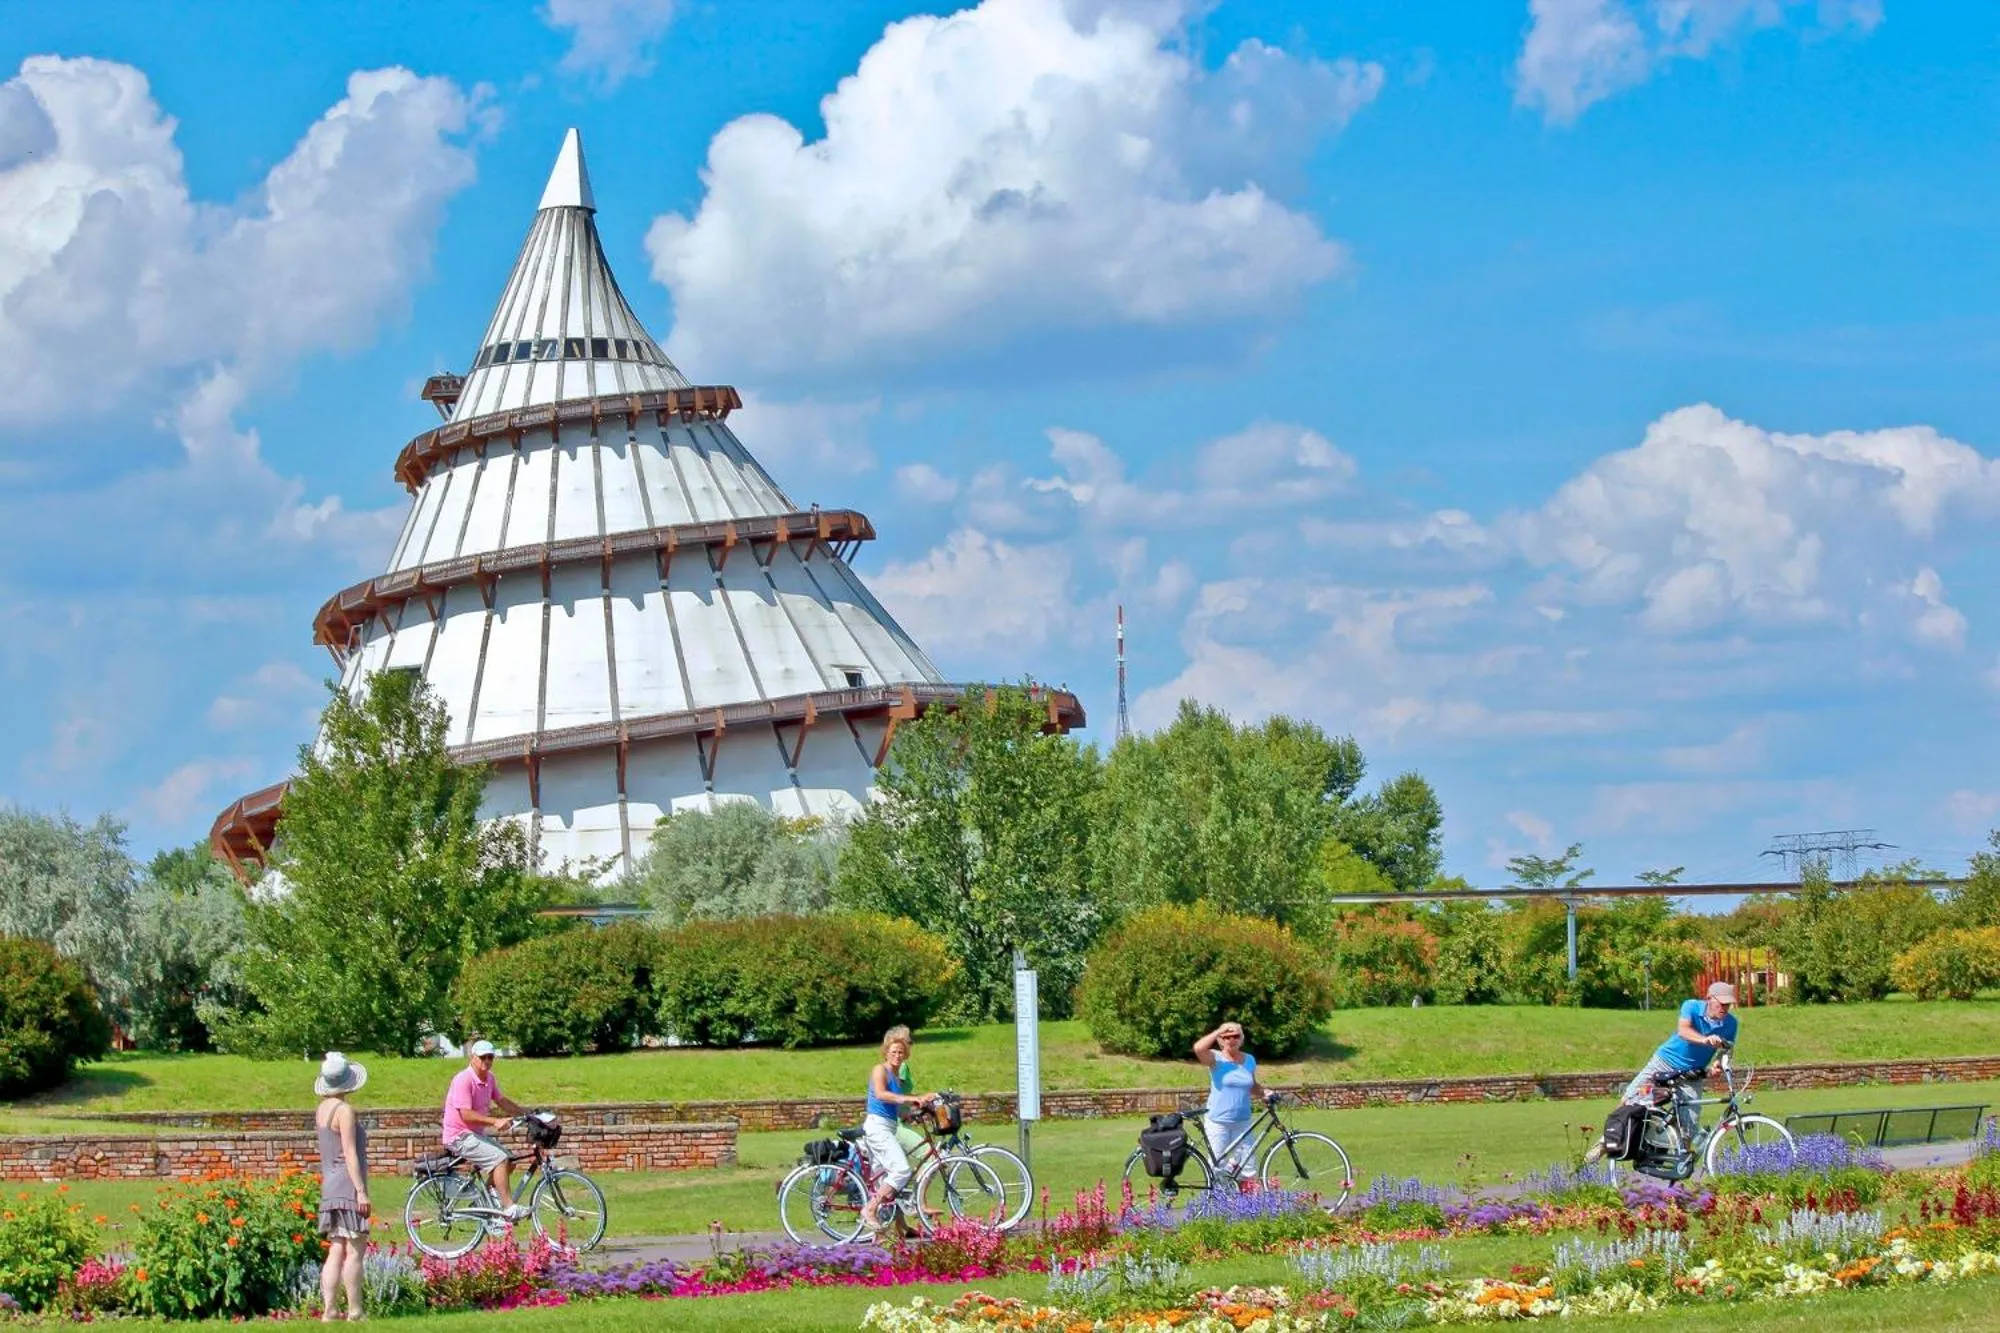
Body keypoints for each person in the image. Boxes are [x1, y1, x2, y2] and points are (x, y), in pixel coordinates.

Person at [1585, 981, 1740, 1163]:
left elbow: (1727, 1049)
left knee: (1688, 1127)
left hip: (1691, 1075)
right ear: (1709, 999)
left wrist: (1718, 1063)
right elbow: (1683, 1031)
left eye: (1728, 1004)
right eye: (1721, 1003)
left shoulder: (1731, 1023)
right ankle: (1604, 1144)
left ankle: (1673, 1168)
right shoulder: (1691, 1006)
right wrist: (1705, 1040)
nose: (1724, 1008)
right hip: (1663, 1064)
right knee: (1629, 1101)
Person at [859, 1025, 940, 1231]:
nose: (897, 1055)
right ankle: (870, 1209)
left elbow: (895, 1107)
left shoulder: (896, 1076)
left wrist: (915, 1112)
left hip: (889, 1126)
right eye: (893, 1051)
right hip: (878, 1128)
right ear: (886, 1052)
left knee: (884, 1181)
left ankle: (891, 1230)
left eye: (901, 1052)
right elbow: (881, 1094)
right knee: (901, 1170)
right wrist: (911, 1098)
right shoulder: (880, 1070)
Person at [441, 1038, 530, 1219]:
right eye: (483, 1057)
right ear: (472, 1058)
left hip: (473, 1135)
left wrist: (527, 1114)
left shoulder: (490, 1078)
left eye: (490, 1057)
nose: (487, 1061)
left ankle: (483, 1200)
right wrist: (494, 1122)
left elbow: (501, 1101)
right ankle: (508, 1208)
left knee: (510, 1161)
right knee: (499, 1159)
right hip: (458, 1136)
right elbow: (465, 1114)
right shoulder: (463, 1080)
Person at [313, 1052, 370, 1322]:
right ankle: (355, 1310)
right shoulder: (344, 1111)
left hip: (330, 1185)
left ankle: (329, 1309)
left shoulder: (322, 1110)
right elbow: (349, 1153)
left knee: (336, 1247)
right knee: (355, 1248)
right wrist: (360, 1190)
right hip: (347, 1185)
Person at [1193, 1021, 1268, 1179]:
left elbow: (1252, 1085)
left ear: (1241, 1039)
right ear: (1221, 1040)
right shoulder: (1216, 1058)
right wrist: (1218, 1030)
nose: (1231, 1040)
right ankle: (1215, 1201)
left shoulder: (1249, 1060)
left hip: (1243, 1122)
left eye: (1235, 1036)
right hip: (1218, 1122)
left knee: (1248, 1167)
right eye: (1226, 1037)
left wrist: (1265, 1092)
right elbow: (1198, 1048)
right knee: (1216, 1166)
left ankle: (1248, 1202)